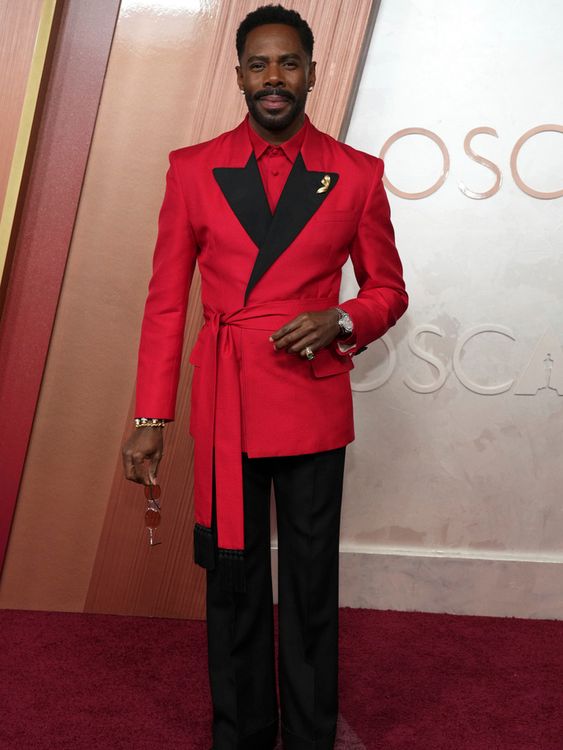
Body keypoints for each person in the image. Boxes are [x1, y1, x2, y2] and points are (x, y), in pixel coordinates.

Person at [122, 5, 408, 749]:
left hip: (309, 400)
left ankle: (311, 736)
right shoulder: (191, 168)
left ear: (314, 72)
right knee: (234, 579)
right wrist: (151, 419)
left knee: (310, 584)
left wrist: (341, 318)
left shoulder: (357, 174)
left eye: (288, 64)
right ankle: (241, 734)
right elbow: (164, 303)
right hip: (226, 405)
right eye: (258, 64)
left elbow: (387, 289)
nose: (273, 78)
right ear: (239, 73)